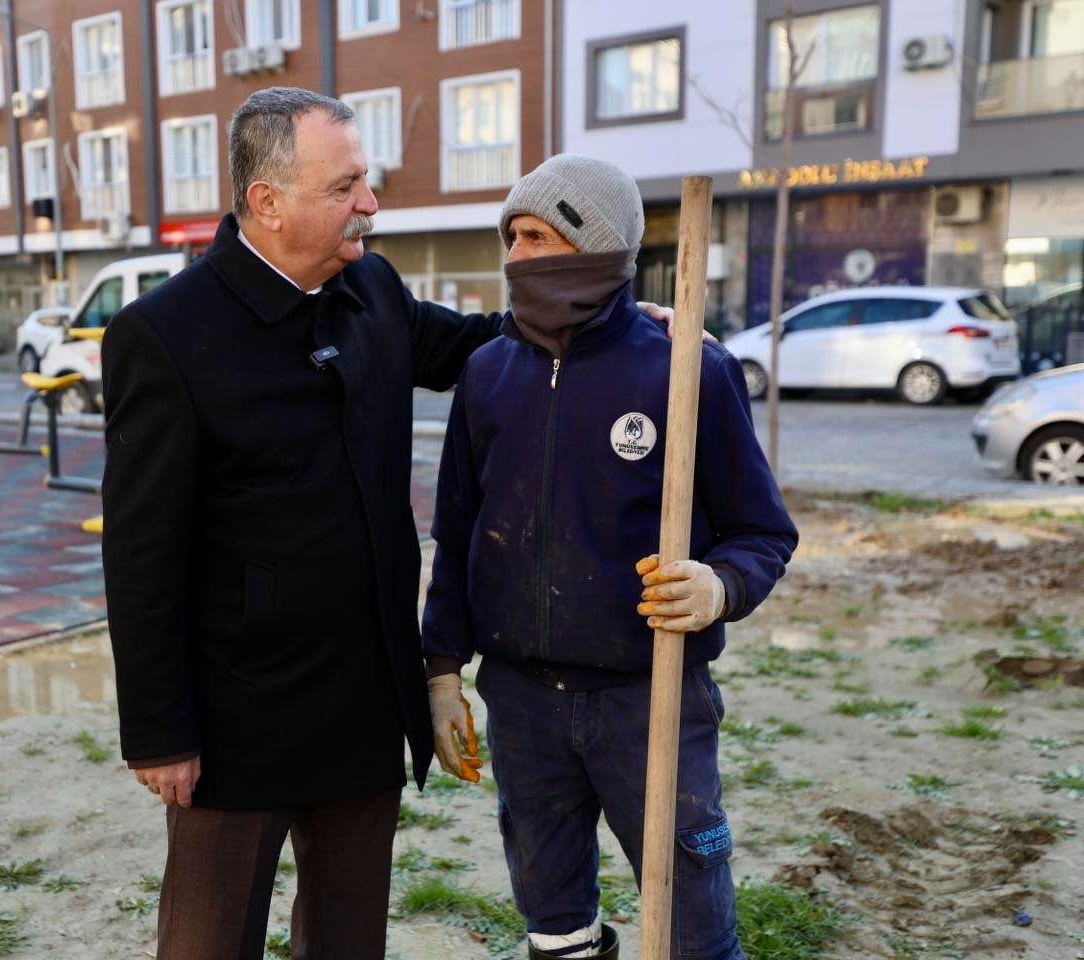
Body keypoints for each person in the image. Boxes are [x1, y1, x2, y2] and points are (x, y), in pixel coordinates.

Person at [101, 88, 675, 960]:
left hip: (365, 700)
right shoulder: (165, 335)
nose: (370, 202)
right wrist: (158, 731)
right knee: (208, 942)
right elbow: (140, 556)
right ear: (267, 202)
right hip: (235, 718)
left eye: (365, 180)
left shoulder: (370, 286)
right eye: (347, 186)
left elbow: (479, 342)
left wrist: (616, 329)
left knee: (347, 941)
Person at [421, 154, 798, 960]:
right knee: (554, 924)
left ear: (595, 246)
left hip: (650, 696)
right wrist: (443, 671)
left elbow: (764, 532)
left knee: (692, 926)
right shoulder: (488, 375)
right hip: (522, 703)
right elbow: (456, 534)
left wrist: (719, 586)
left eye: (537, 235)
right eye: (510, 237)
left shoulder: (686, 368)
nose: (516, 255)